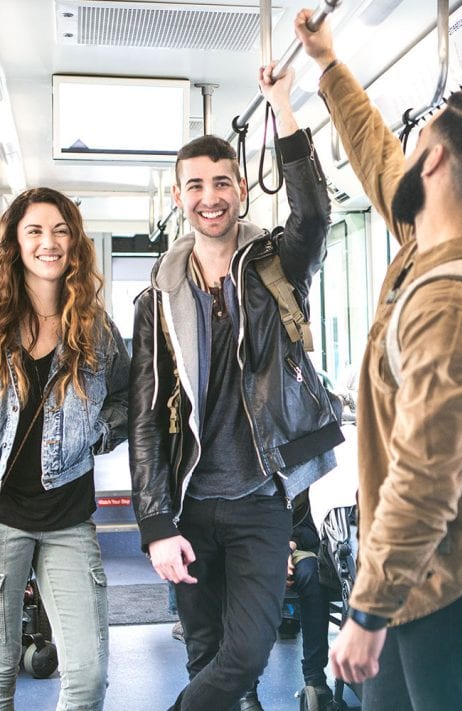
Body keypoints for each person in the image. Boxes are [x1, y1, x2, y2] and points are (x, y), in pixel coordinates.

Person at [296, 13, 462, 710]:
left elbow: (425, 475)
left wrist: (366, 612)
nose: (404, 152)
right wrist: (328, 64)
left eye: (418, 142)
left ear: (431, 162)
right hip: (412, 575)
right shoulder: (424, 246)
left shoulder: (455, 304)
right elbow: (374, 154)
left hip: (451, 579)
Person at [128, 62, 341, 711]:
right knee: (206, 656)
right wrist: (155, 523)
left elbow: (315, 209)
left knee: (246, 651)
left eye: (221, 181)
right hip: (190, 502)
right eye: (195, 185)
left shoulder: (276, 266)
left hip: (259, 499)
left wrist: (283, 105)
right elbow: (144, 417)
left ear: (242, 188)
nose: (209, 195)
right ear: (177, 196)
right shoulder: (156, 300)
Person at [0, 186, 130, 710]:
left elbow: (128, 399)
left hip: (69, 519)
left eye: (60, 231)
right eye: (34, 230)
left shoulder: (97, 329)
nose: (49, 242)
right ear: (15, 241)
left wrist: (96, 435)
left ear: (75, 244)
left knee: (88, 674)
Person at [244, 489, 334, 711]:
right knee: (253, 581)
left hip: (298, 546)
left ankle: (315, 678)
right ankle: (247, 688)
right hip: (254, 547)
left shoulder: (305, 476)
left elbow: (314, 527)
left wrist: (289, 546)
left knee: (312, 576)